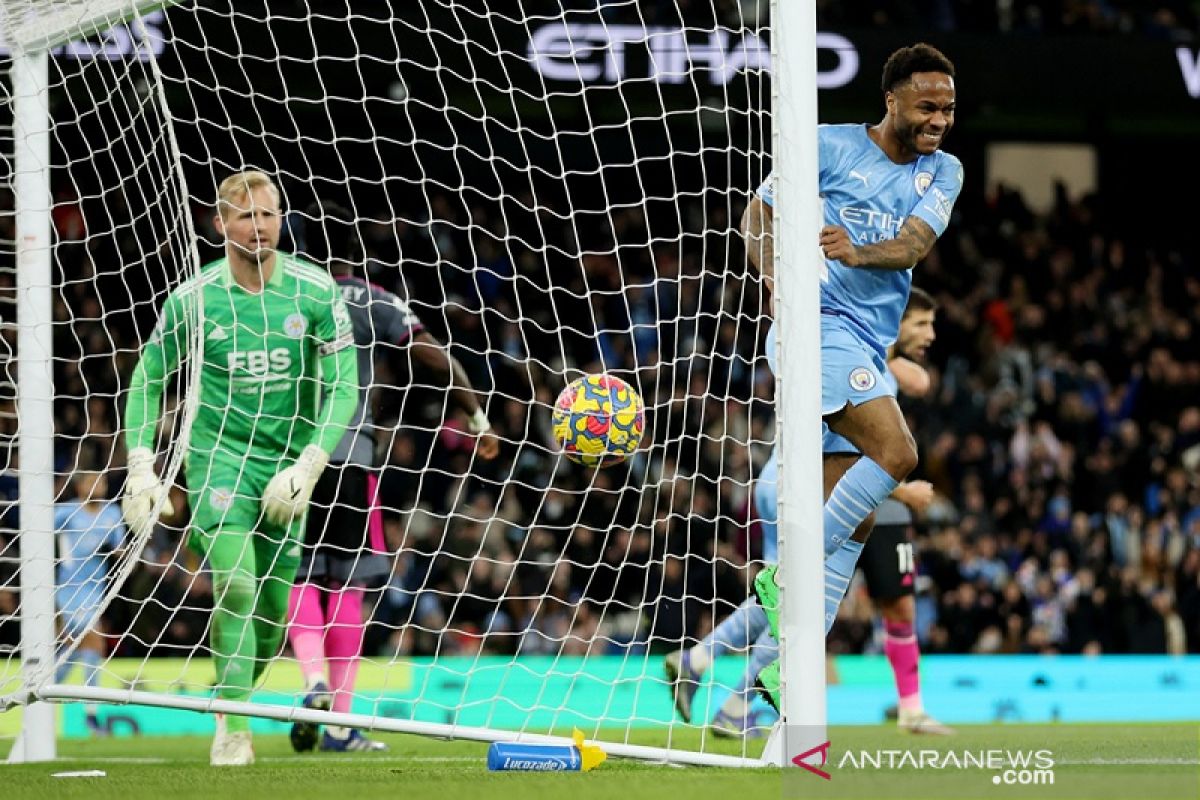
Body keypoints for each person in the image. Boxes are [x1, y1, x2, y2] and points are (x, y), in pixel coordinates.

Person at [740, 42, 963, 710]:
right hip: (818, 325)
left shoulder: (942, 171)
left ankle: (780, 668)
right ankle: (789, 579)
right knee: (895, 454)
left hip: (865, 341)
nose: (939, 119)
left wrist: (855, 249)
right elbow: (757, 216)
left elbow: (913, 246)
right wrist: (776, 276)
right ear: (891, 98)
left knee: (857, 520)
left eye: (948, 108)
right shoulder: (828, 146)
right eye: (927, 105)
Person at [122, 170, 359, 766]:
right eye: (246, 216)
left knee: (273, 619)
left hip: (288, 468)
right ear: (220, 223)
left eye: (269, 214)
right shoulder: (194, 300)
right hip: (219, 460)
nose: (259, 226)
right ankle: (234, 728)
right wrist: (141, 463)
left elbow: (344, 386)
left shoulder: (314, 291)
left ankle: (231, 693)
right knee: (235, 585)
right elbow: (150, 376)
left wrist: (310, 463)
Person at [664, 291, 944, 736]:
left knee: (786, 598)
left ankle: (706, 671)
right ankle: (741, 695)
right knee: (797, 601)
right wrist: (903, 490)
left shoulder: (836, 350)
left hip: (780, 480)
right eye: (920, 324)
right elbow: (859, 450)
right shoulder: (860, 371)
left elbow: (915, 385)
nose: (928, 335)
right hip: (809, 487)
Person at [286, 201, 501, 753]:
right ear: (358, 253)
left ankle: (310, 680)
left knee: (297, 578)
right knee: (348, 587)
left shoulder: (278, 299)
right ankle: (339, 723)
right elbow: (434, 356)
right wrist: (475, 417)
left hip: (286, 463)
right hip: (352, 457)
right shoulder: (370, 299)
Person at [54, 469, 127, 735]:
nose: (100, 486)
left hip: (96, 591)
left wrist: (117, 551)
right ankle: (92, 716)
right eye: (93, 481)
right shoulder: (65, 512)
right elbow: (35, 535)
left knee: (78, 652)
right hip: (68, 590)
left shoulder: (112, 513)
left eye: (103, 481)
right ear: (80, 486)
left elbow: (120, 548)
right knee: (92, 644)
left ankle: (48, 689)